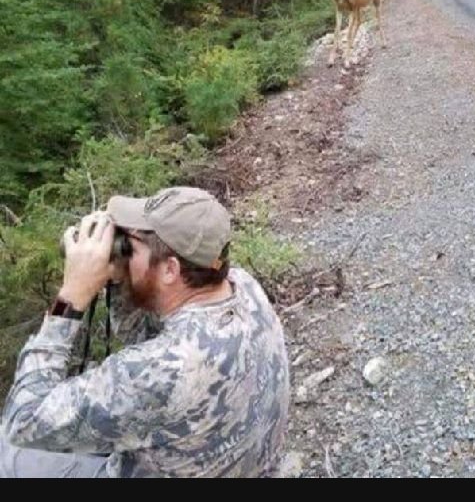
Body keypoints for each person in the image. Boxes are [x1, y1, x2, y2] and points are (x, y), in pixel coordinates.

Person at [0, 186, 290, 478]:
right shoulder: (245, 288)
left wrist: (70, 299)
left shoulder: (159, 370)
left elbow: (23, 420)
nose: (122, 249)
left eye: (132, 246)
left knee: (5, 448)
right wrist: (121, 276)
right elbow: (145, 337)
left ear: (170, 270)